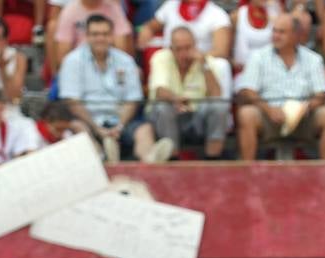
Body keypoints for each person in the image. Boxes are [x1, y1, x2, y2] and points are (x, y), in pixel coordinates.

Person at [235, 12, 325, 160]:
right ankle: (247, 172)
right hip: (269, 115)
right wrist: (269, 109)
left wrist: (305, 107)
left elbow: (321, 93)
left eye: (282, 32)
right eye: (274, 31)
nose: (276, 36)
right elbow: (248, 90)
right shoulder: (258, 57)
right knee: (246, 114)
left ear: (295, 36)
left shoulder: (313, 59)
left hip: (304, 117)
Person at [59, 13, 166, 162]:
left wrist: (120, 126)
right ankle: (101, 156)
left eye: (105, 34)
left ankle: (150, 159)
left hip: (120, 121)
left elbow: (132, 100)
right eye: (95, 34)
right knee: (78, 128)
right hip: (89, 121)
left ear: (112, 36)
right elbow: (72, 102)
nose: (100, 38)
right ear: (87, 36)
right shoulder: (72, 61)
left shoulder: (126, 61)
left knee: (144, 129)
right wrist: (97, 129)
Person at [148, 25, 226, 159]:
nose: (184, 54)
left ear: (195, 46)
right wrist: (176, 99)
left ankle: (213, 159)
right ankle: (171, 159)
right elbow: (160, 90)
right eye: (179, 49)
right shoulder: (161, 58)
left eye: (188, 48)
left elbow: (216, 95)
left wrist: (204, 65)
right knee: (163, 106)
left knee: (219, 106)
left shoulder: (207, 62)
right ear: (171, 49)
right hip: (170, 114)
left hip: (197, 117)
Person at [138, 0, 233, 58]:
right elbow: (150, 27)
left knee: (221, 65)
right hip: (169, 61)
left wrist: (192, 57)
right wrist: (146, 31)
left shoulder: (218, 15)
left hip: (199, 63)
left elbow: (221, 52)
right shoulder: (170, 5)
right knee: (159, 58)